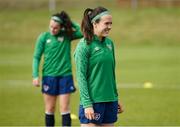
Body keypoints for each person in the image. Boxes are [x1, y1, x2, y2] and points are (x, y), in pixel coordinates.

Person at [74, 6, 123, 126]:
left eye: (111, 23)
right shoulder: (84, 46)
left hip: (110, 101)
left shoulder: (109, 44)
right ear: (94, 23)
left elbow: (110, 74)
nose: (110, 27)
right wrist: (87, 104)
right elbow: (81, 77)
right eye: (106, 23)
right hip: (93, 102)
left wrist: (115, 97)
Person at [32, 11, 82, 127]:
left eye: (56, 28)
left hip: (65, 76)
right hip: (49, 77)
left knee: (64, 107)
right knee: (50, 108)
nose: (52, 30)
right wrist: (35, 75)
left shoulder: (67, 35)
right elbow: (36, 57)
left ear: (61, 27)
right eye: (51, 27)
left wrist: (69, 22)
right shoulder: (43, 37)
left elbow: (82, 31)